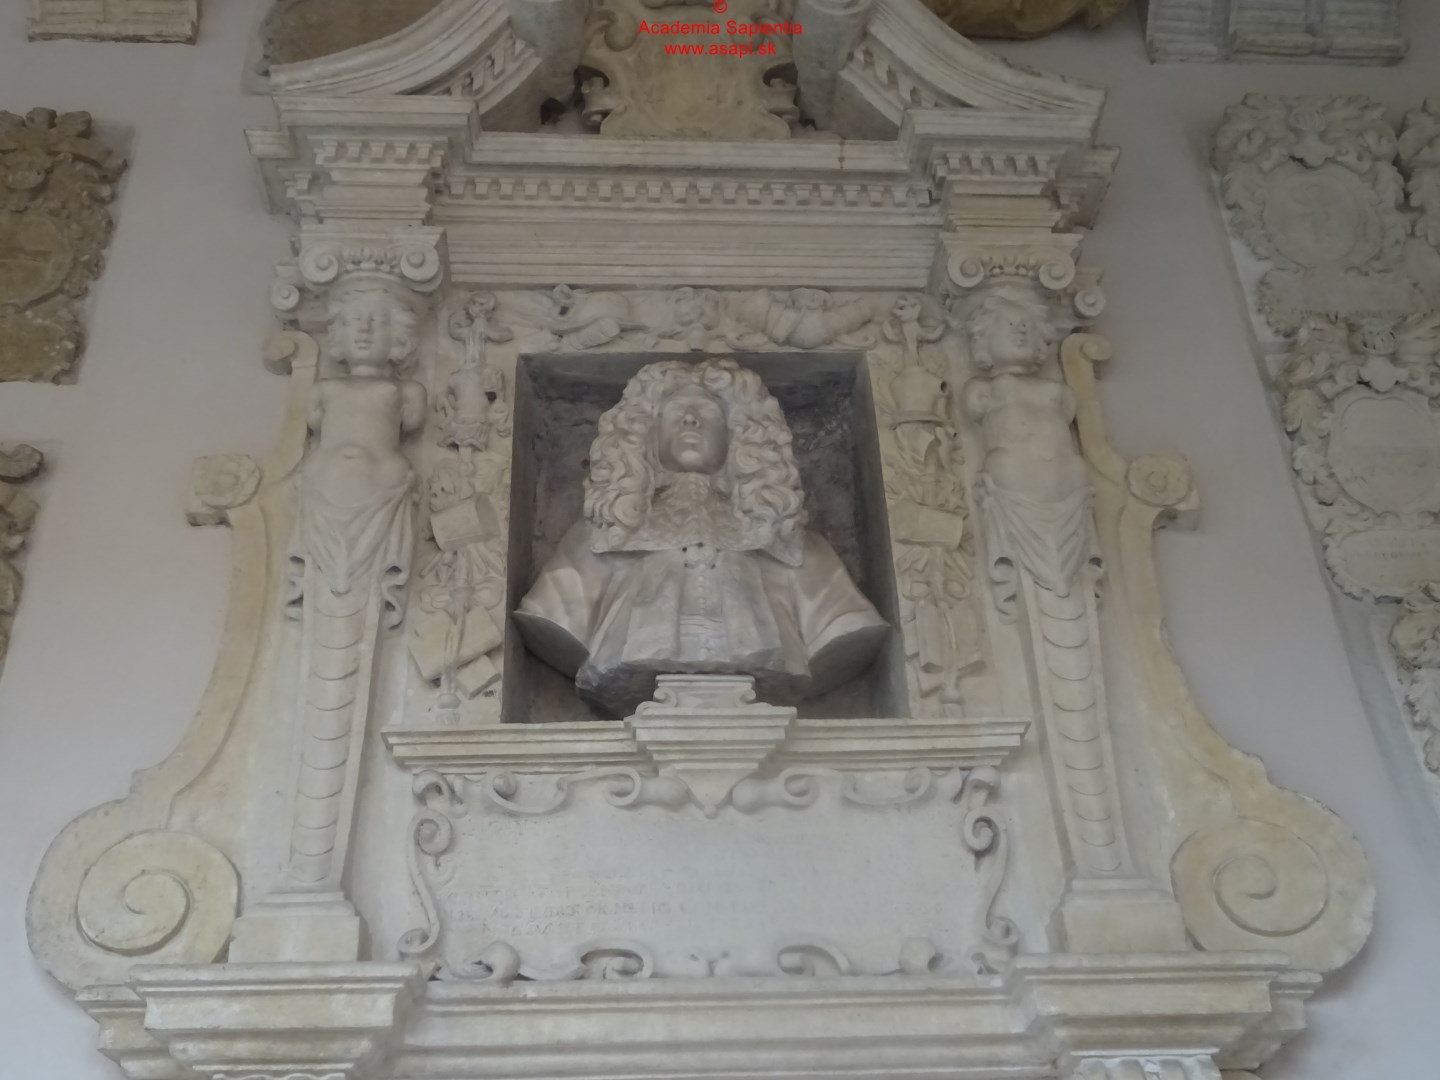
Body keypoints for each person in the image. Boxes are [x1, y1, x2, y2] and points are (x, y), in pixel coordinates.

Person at [515, 358, 887, 717]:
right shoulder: (598, 537)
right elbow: (551, 616)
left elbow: (846, 626)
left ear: (738, 434)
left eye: (708, 412)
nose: (691, 419)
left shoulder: (792, 543)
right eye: (675, 411)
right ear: (646, 433)